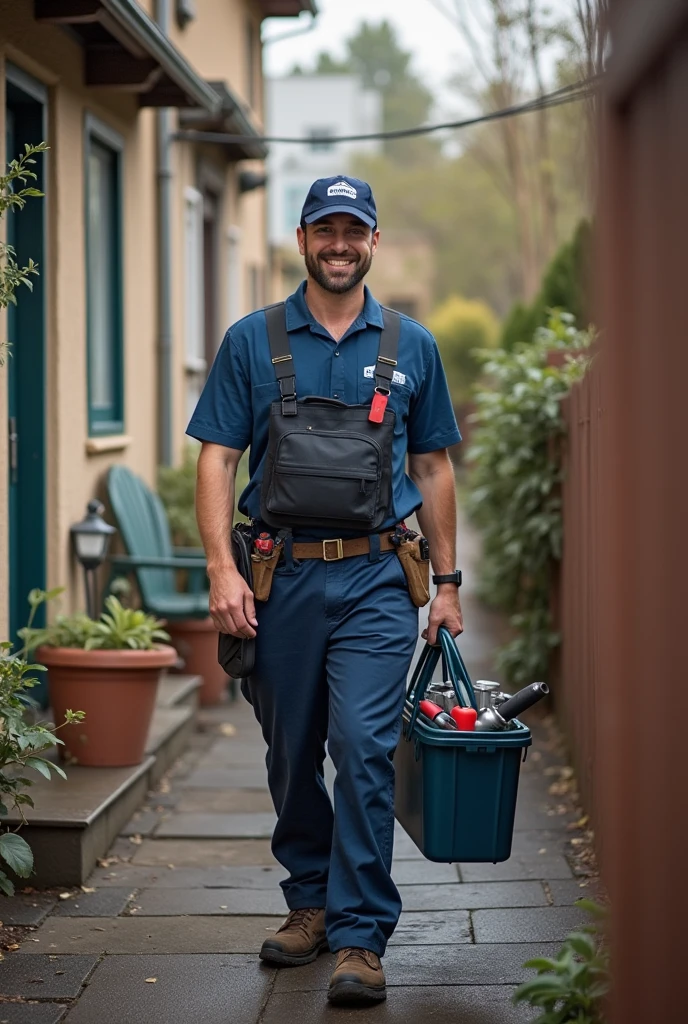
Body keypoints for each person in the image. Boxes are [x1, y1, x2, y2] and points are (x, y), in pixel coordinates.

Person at [187, 175, 463, 1007]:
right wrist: (220, 569)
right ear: (301, 239)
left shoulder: (412, 344)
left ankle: (358, 937)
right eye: (324, 230)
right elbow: (215, 458)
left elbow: (432, 465)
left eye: (354, 230)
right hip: (280, 578)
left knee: (366, 749)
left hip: (380, 578)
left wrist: (446, 584)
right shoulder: (252, 339)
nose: (339, 244)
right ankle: (308, 899)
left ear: (373, 241)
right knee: (290, 751)